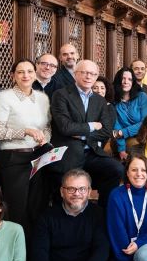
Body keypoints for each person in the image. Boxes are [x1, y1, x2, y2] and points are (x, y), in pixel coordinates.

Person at [50, 59, 123, 208]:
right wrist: (91, 126)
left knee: (117, 169)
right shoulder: (61, 95)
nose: (88, 76)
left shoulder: (99, 101)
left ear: (96, 77)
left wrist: (81, 133)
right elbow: (65, 127)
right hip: (68, 153)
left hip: (92, 152)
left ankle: (102, 213)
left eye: (92, 73)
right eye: (84, 72)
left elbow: (106, 131)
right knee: (66, 184)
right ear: (76, 74)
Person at [0, 59, 51, 236]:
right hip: (14, 159)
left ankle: (33, 258)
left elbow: (47, 127)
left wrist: (44, 138)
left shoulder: (42, 98)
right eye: (20, 72)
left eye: (29, 71)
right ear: (13, 76)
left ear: (35, 74)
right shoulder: (4, 97)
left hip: (39, 157)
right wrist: (25, 131)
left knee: (37, 209)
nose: (26, 75)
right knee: (17, 212)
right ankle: (15, 255)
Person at [111, 67, 147, 161]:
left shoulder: (142, 96)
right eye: (123, 78)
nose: (126, 82)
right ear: (118, 81)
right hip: (120, 139)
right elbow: (116, 127)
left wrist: (123, 132)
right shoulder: (113, 100)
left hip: (141, 136)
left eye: (129, 79)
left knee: (134, 146)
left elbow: (145, 122)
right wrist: (121, 149)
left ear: (133, 82)